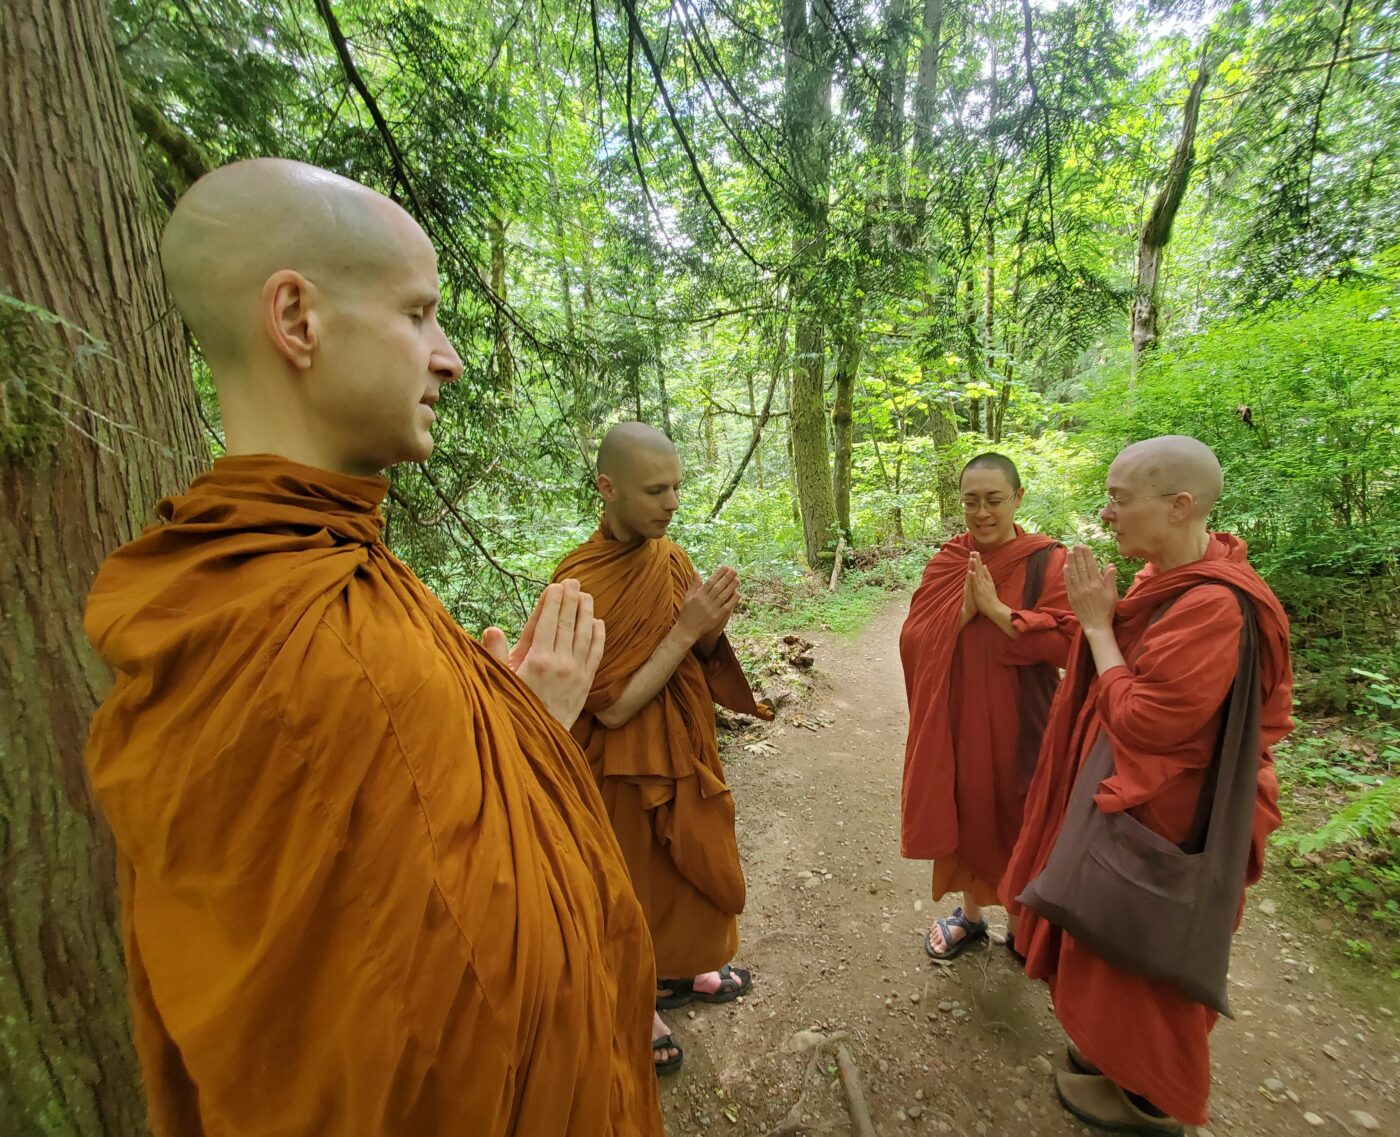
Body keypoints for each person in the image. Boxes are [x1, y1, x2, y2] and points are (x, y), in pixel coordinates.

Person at [83, 159, 663, 1136]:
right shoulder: (314, 638)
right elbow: (430, 1038)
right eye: (418, 315)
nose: (450, 358)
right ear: (298, 320)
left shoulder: (292, 587)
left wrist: (522, 722)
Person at [1001, 435, 1294, 1135]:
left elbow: (1142, 723)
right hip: (1137, 797)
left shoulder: (1214, 606)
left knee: (1144, 952)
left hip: (1169, 819)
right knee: (1106, 948)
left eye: (1119, 498)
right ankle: (1111, 1061)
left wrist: (1099, 626)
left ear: (1179, 505)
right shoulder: (1180, 573)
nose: (1105, 514)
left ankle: (1153, 1100)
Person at [551, 422, 773, 1075]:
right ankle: (639, 1001)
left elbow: (694, 655)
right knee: (632, 883)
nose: (672, 502)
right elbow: (614, 707)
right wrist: (687, 628)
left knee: (690, 871)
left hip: (681, 747)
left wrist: (710, 629)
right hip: (615, 767)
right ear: (607, 487)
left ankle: (687, 968)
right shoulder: (578, 582)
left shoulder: (669, 557)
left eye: (676, 486)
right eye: (655, 489)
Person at [899, 453, 1073, 961]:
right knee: (971, 811)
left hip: (1025, 720)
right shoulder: (950, 558)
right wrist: (960, 615)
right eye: (971, 501)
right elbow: (912, 638)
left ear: (1018, 498)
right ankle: (970, 919)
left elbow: (1070, 643)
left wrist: (1001, 614)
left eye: (994, 500)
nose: (982, 512)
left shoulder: (1046, 560)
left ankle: (1022, 928)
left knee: (1021, 817)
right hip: (959, 718)